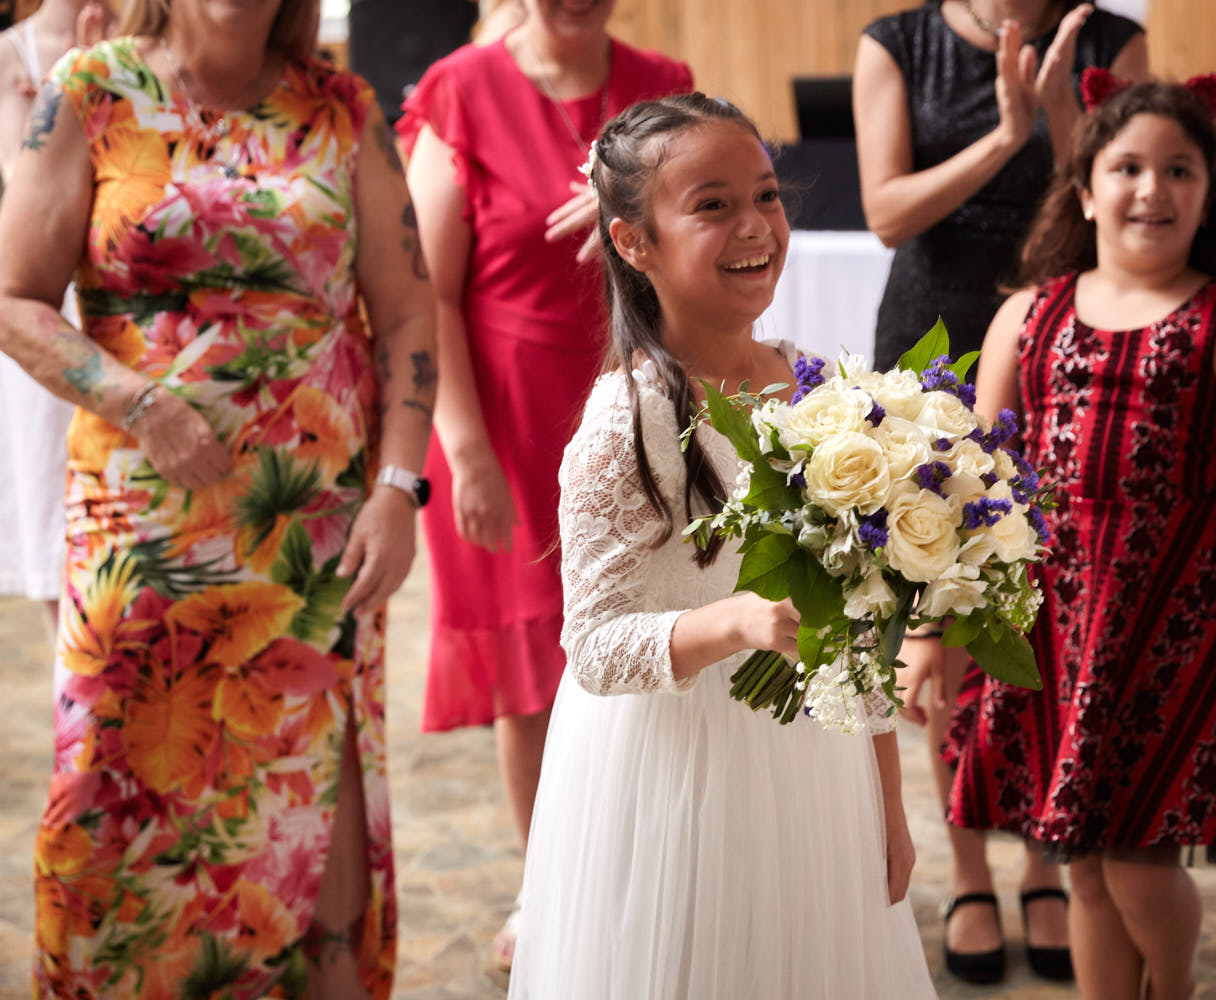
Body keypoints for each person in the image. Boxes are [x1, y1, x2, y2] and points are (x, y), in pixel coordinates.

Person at [0, 0, 437, 994]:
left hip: (314, 537)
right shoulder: (90, 91)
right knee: (115, 794)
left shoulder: (342, 108)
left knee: (308, 802)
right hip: (141, 534)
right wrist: (140, 402)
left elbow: (409, 311)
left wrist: (399, 487)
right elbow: (13, 298)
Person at [506, 94, 936, 1000]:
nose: (755, 226)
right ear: (634, 242)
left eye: (767, 195)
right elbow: (593, 647)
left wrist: (887, 804)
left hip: (814, 764)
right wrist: (732, 622)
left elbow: (855, 617)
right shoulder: (630, 419)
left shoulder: (809, 387)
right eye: (712, 205)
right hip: (678, 771)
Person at [949, 74, 1216, 999]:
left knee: (1139, 869)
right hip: (1055, 625)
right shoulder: (1026, 317)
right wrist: (939, 634)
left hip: (1180, 627)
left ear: (1210, 193)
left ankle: (1175, 987)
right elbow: (977, 490)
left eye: (1179, 169)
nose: (1153, 189)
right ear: (1084, 190)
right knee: (1082, 864)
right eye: (1127, 169)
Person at [852, 0, 1146, 980]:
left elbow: (1120, 194)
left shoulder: (1109, 40)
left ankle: (1045, 861)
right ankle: (970, 867)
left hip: (1071, 339)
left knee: (1051, 614)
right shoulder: (897, 42)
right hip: (932, 343)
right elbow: (887, 212)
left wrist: (1059, 119)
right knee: (944, 614)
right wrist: (1007, 136)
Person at [399, 0, 690, 968]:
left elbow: (709, 235)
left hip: (635, 398)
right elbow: (427, 293)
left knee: (649, 640)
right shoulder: (462, 89)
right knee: (536, 667)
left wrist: (638, 215)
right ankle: (550, 887)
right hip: (504, 416)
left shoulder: (663, 85)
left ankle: (647, 875)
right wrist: (465, 451)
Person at [0, 0, 110, 645]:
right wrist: (75, 88)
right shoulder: (11, 52)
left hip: (123, 300)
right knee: (50, 505)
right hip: (49, 307)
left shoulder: (148, 31)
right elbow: (25, 184)